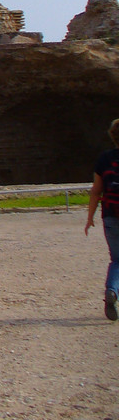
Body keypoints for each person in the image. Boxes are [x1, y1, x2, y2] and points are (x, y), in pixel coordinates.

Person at [85, 118, 119, 321]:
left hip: (111, 216)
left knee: (117, 260)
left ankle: (113, 290)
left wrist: (90, 218)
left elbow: (96, 191)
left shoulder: (105, 159)